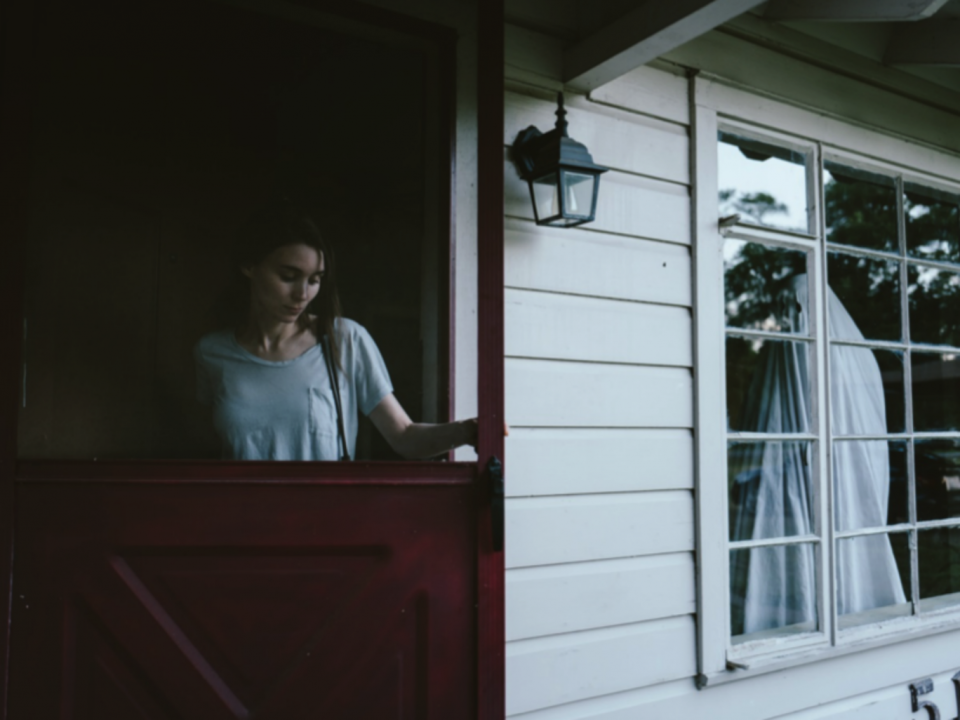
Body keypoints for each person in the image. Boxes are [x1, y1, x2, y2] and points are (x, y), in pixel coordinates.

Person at [194, 197, 477, 461]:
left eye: (315, 279)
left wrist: (469, 430)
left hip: (325, 513)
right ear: (249, 266)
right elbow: (201, 452)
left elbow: (404, 435)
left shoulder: (344, 339)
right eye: (288, 277)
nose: (303, 294)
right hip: (243, 513)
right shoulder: (212, 353)